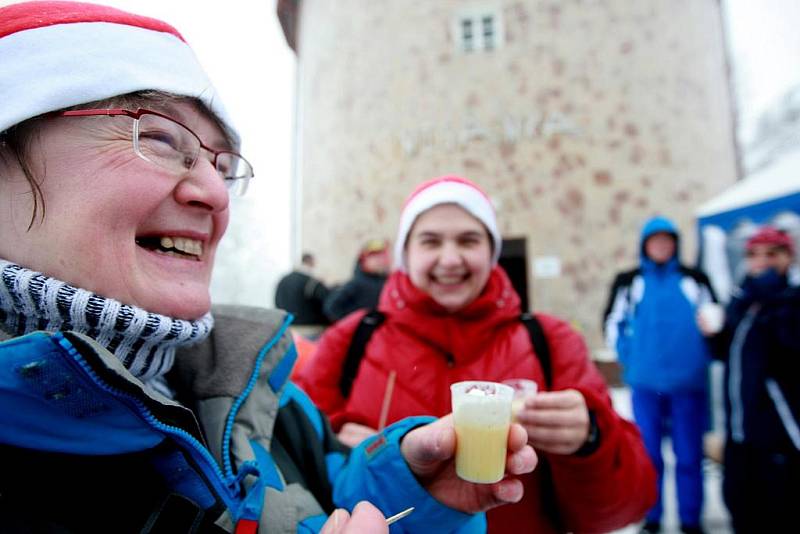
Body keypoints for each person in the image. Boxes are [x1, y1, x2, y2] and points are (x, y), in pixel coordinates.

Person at [0, 3, 537, 533]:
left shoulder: (262, 391)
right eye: (162, 139)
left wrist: (415, 489)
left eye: (222, 165)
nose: (214, 192)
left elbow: (332, 495)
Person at [297, 175, 657, 533]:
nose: (450, 259)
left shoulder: (551, 341)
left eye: (469, 240)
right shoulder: (349, 341)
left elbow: (625, 507)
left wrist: (590, 440)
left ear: (492, 251)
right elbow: (293, 472)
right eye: (430, 241)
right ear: (406, 254)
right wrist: (339, 451)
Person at [602, 216, 716, 534]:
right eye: (656, 241)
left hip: (688, 384)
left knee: (689, 455)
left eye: (668, 241)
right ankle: (652, 518)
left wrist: (702, 356)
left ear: (676, 244)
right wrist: (631, 358)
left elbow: (713, 322)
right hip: (646, 385)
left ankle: (691, 520)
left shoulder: (694, 279)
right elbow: (613, 323)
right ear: (645, 246)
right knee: (649, 455)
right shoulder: (630, 282)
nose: (662, 246)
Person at [698, 226, 800, 533]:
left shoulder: (791, 301)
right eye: (755, 254)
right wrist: (713, 333)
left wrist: (766, 292)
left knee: (779, 514)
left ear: (788, 257)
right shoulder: (744, 300)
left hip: (780, 436)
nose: (762, 261)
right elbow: (727, 353)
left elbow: (788, 346)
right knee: (741, 507)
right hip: (740, 433)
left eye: (772, 253)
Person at [323, 239, 390, 322]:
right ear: (364, 260)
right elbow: (331, 307)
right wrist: (355, 323)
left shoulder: (387, 282)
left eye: (381, 256)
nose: (379, 260)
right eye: (374, 257)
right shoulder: (356, 283)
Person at [274, 252, 331, 326]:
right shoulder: (311, 282)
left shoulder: (283, 280)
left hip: (287, 326)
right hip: (310, 326)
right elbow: (329, 302)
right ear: (311, 262)